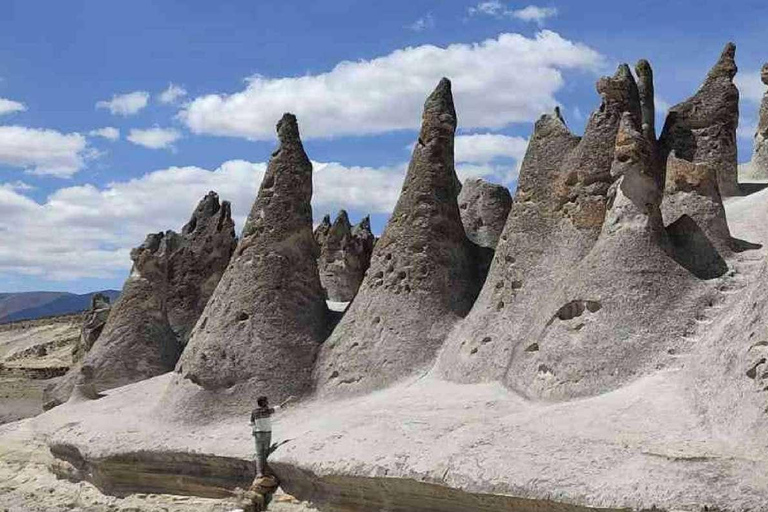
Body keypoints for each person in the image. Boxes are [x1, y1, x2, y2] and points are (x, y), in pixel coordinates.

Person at [250, 395, 293, 477]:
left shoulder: (254, 412)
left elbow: (251, 423)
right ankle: (263, 471)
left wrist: (253, 431)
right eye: (266, 401)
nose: (268, 403)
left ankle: (260, 473)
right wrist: (288, 400)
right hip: (267, 433)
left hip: (258, 434)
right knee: (265, 452)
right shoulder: (267, 411)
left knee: (260, 453)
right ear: (263, 402)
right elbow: (279, 407)